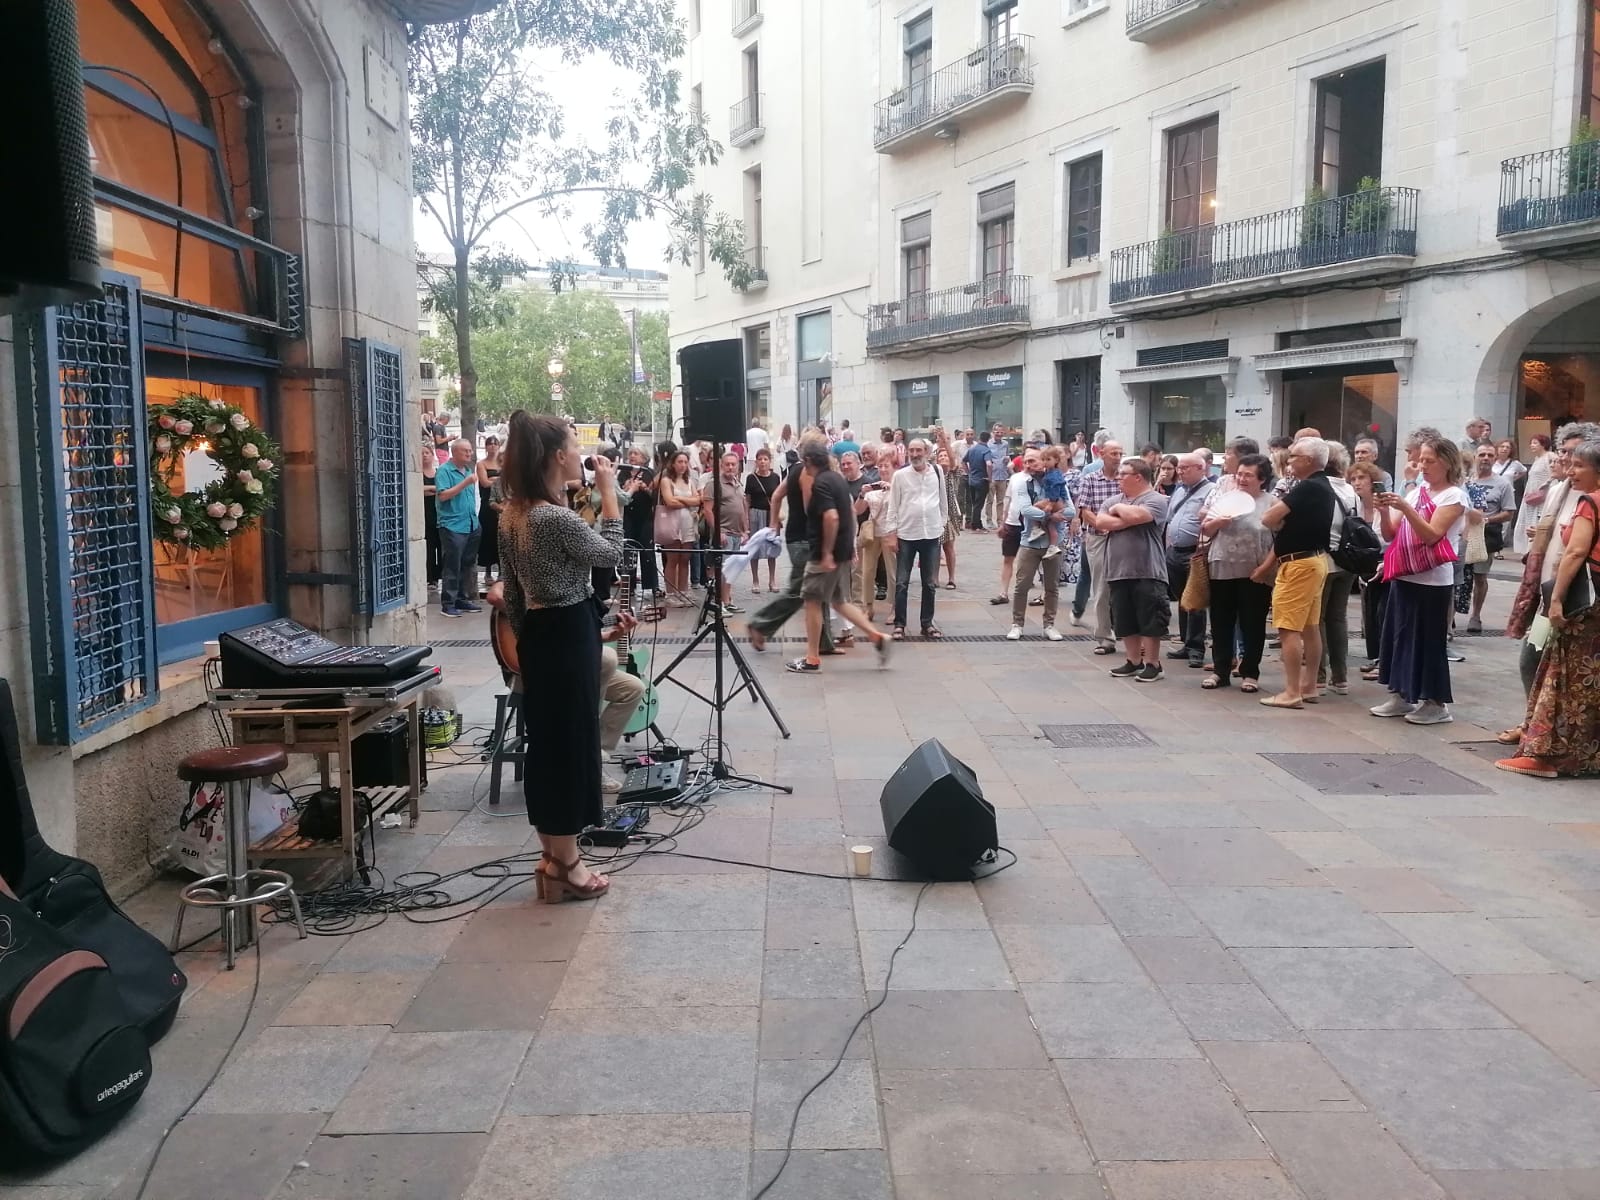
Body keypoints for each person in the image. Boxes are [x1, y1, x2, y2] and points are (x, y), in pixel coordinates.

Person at [497, 411, 621, 902]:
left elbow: (511, 592)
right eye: (573, 444)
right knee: (571, 746)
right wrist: (609, 492)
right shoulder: (553, 517)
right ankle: (569, 864)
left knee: (548, 746)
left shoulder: (513, 512)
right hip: (567, 630)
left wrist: (527, 646)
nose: (580, 454)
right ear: (556, 456)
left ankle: (552, 855)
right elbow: (611, 554)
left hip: (541, 634)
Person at [1496, 438, 1600, 778]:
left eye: (1578, 463)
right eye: (1568, 458)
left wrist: (1555, 600)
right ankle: (1579, 754)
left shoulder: (1590, 503)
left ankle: (1542, 752)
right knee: (1586, 681)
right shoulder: (1561, 492)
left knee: (1555, 672)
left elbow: (1575, 553)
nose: (1571, 468)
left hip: (1577, 603)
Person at [1371, 435, 1467, 725]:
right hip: (1406, 574)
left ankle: (1436, 703)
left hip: (1433, 581)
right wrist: (1384, 510)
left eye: (1429, 460)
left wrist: (1406, 508)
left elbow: (1431, 535)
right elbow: (1391, 535)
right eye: (1420, 460)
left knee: (1428, 641)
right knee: (1398, 637)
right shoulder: (1417, 493)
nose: (1422, 466)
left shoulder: (1453, 496)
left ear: (1447, 463)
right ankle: (1400, 695)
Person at [779, 438, 891, 673]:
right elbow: (849, 513)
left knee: (811, 600)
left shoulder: (821, 483)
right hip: (840, 551)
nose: (802, 465)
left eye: (803, 460)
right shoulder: (837, 479)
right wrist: (847, 548)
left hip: (824, 554)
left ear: (809, 460)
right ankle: (877, 636)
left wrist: (827, 552)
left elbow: (832, 517)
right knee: (838, 601)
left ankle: (811, 658)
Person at [1257, 437, 1337, 708]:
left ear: (1307, 460)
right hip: (1315, 561)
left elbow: (1268, 518)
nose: (1289, 461)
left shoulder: (1307, 488)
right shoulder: (1323, 486)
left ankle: (1292, 691)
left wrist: (1281, 522)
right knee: (1310, 627)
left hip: (1299, 564)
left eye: (1293, 456)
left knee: (1288, 628)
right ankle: (1309, 685)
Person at [1080, 457, 1171, 682]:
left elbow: (1138, 516)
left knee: (1150, 618)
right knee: (1124, 618)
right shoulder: (1112, 499)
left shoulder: (1156, 499)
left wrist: (1120, 509)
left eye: (1123, 475)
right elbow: (1101, 523)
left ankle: (1152, 663)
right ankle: (1133, 661)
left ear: (1138, 477)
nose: (1118, 478)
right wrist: (1124, 514)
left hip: (1147, 570)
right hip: (1118, 570)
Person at [1202, 453, 1276, 691]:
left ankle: (1250, 672)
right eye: (1240, 474)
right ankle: (1220, 670)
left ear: (1262, 479)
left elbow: (1280, 538)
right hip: (1221, 565)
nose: (1242, 479)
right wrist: (1216, 524)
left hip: (1255, 570)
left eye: (1249, 475)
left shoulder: (1271, 502)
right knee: (1221, 621)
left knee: (1252, 623)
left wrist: (1266, 568)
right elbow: (1205, 529)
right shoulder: (1225, 497)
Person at [882, 438, 948, 640]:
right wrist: (891, 533)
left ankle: (927, 623)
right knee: (902, 582)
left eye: (919, 450)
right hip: (907, 535)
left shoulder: (936, 472)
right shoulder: (901, 476)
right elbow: (893, 506)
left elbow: (943, 501)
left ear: (927, 452)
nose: (915, 454)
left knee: (929, 583)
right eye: (911, 450)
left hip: (930, 535)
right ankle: (900, 624)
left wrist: (941, 524)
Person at [1008, 447, 1069, 643]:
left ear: (1044, 461)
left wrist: (1056, 513)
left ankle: (1049, 625)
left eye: (1033, 461)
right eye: (1026, 462)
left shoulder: (1058, 480)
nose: (1029, 465)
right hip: (1030, 541)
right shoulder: (1024, 484)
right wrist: (1051, 515)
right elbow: (1025, 510)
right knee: (1022, 585)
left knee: (1052, 587)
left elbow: (1071, 511)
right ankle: (1017, 624)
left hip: (1054, 542)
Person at [1315, 441, 1360, 695]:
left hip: (1324, 559)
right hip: (1348, 561)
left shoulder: (1318, 489)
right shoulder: (1350, 490)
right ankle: (1340, 677)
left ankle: (1318, 676)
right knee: (1338, 618)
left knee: (1317, 619)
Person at [1074, 439, 1124, 654]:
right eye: (1114, 453)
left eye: (1120, 453)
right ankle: (1104, 636)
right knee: (1102, 588)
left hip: (1123, 538)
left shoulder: (1125, 479)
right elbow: (1084, 510)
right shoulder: (1091, 479)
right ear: (1102, 454)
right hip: (1098, 538)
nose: (1118, 457)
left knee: (1125, 587)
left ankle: (1126, 631)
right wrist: (1102, 525)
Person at [1347, 460, 1391, 680]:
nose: (1357, 483)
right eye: (1353, 479)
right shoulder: (1354, 504)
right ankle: (1375, 656)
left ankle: (1385, 660)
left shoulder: (1383, 502)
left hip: (1385, 559)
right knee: (1369, 612)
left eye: (1361, 478)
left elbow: (1390, 535)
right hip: (1364, 563)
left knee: (1384, 611)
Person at [435, 439, 483, 617]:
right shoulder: (444, 471)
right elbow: (443, 496)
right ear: (454, 452)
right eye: (465, 451)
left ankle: (461, 598)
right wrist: (466, 483)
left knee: (466, 564)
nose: (469, 454)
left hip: (470, 523)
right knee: (452, 565)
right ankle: (448, 603)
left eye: (470, 451)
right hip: (452, 525)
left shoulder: (468, 471)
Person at [655, 450, 700, 604]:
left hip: (687, 523)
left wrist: (680, 498)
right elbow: (669, 501)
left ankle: (683, 590)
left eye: (685, 462)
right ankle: (670, 593)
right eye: (679, 462)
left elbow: (697, 500)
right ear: (673, 464)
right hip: (672, 522)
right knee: (672, 558)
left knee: (685, 558)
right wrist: (688, 500)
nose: (683, 465)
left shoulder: (689, 481)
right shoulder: (666, 480)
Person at [618, 446, 661, 605]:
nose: (632, 456)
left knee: (647, 550)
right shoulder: (624, 472)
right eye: (630, 454)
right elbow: (619, 491)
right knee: (627, 549)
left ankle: (653, 585)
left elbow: (655, 495)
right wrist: (627, 487)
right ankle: (628, 585)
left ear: (644, 457)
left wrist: (644, 488)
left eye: (636, 454)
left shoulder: (649, 473)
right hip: (628, 515)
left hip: (645, 516)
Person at [710, 451, 749, 615]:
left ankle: (727, 600)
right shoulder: (714, 484)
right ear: (721, 465)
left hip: (737, 534)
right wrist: (718, 531)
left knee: (732, 570)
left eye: (733, 464)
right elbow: (707, 510)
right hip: (724, 533)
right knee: (723, 570)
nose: (730, 467)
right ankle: (718, 603)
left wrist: (746, 530)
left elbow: (744, 507)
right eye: (727, 464)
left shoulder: (738, 483)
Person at [743, 448, 782, 592]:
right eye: (760, 459)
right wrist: (746, 519)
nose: (763, 462)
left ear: (769, 461)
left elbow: (779, 497)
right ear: (756, 461)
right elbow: (747, 500)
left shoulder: (775, 477)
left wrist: (777, 516)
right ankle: (755, 580)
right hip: (755, 514)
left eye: (765, 459)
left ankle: (772, 580)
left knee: (772, 547)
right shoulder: (751, 478)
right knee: (755, 548)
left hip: (771, 515)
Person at [1511, 434, 1555, 556]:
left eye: (1535, 443)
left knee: (1538, 519)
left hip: (1542, 496)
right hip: (1532, 495)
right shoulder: (1537, 459)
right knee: (1529, 520)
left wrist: (1545, 486)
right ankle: (1527, 549)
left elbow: (1554, 474)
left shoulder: (1550, 456)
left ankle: (1535, 547)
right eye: (1531, 443)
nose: (1532, 445)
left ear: (1543, 444)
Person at [476, 434, 504, 587]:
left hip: (503, 505)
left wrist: (494, 480)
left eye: (495, 443)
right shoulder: (482, 464)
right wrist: (497, 480)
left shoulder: (503, 463)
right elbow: (485, 483)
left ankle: (501, 571)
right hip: (487, 504)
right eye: (489, 443)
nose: (492, 446)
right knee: (487, 537)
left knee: (501, 538)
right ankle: (487, 571)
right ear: (486, 446)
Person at [935, 445, 963, 588]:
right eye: (941, 456)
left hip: (950, 515)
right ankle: (934, 578)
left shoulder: (953, 473)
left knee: (949, 547)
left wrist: (944, 442)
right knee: (935, 548)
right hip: (935, 513)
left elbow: (952, 459)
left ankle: (951, 578)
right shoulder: (933, 473)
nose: (944, 458)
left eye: (946, 456)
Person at [421, 433, 440, 592]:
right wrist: (432, 489)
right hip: (424, 514)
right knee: (429, 546)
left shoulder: (439, 472)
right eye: (421, 453)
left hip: (439, 513)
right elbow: (417, 490)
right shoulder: (416, 474)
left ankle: (440, 576)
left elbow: (443, 490)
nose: (424, 455)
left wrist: (429, 490)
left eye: (427, 452)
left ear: (432, 455)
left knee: (441, 547)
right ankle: (430, 578)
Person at [964, 432, 993, 529]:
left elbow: (963, 461)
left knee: (974, 503)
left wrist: (968, 472)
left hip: (972, 479)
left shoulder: (972, 449)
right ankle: (975, 525)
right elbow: (989, 464)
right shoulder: (986, 450)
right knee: (979, 504)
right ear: (988, 439)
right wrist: (989, 477)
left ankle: (978, 523)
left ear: (979, 438)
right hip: (982, 479)